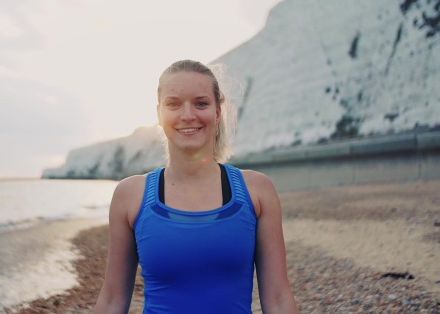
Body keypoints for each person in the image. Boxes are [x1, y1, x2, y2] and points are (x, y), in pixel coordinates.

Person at [94, 59, 297, 313]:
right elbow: (112, 299)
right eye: (173, 104)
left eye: (201, 103)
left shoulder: (257, 191)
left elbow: (278, 298)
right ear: (159, 113)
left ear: (217, 111)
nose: (187, 115)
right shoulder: (130, 195)